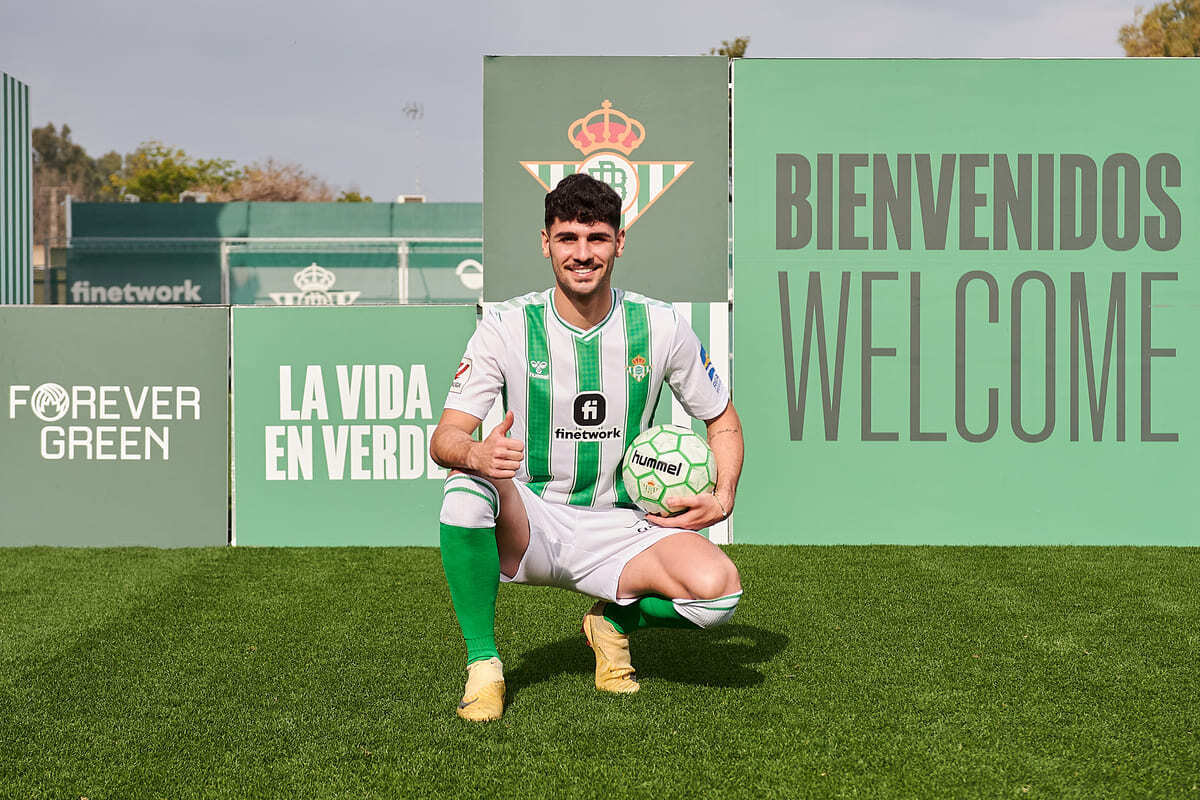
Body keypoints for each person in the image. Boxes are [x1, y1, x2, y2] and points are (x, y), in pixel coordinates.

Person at [429, 173, 743, 722]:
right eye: (568, 237)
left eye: (597, 238)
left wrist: (722, 496)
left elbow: (722, 420)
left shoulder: (661, 324)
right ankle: (484, 666)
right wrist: (478, 455)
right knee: (463, 490)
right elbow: (446, 438)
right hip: (533, 518)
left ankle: (614, 621)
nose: (582, 253)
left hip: (624, 527)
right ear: (545, 242)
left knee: (718, 594)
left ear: (619, 243)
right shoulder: (506, 324)